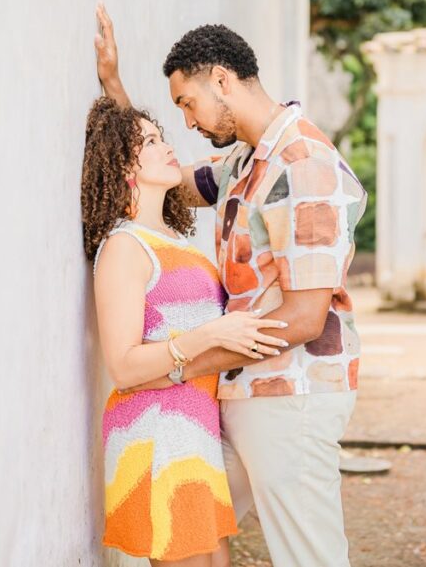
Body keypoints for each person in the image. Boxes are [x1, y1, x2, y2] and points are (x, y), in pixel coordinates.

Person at [94, 3, 367, 567]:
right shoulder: (246, 162)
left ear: (221, 81)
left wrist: (178, 362)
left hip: (291, 395)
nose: (188, 123)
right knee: (191, 539)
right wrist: (115, 90)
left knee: (308, 556)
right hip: (241, 394)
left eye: (187, 103)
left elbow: (304, 318)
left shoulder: (302, 162)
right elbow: (155, 179)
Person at [81, 96, 289, 567]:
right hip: (156, 434)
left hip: (194, 430)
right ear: (123, 167)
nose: (167, 146)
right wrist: (211, 335)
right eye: (150, 142)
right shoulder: (124, 246)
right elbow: (122, 365)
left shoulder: (176, 242)